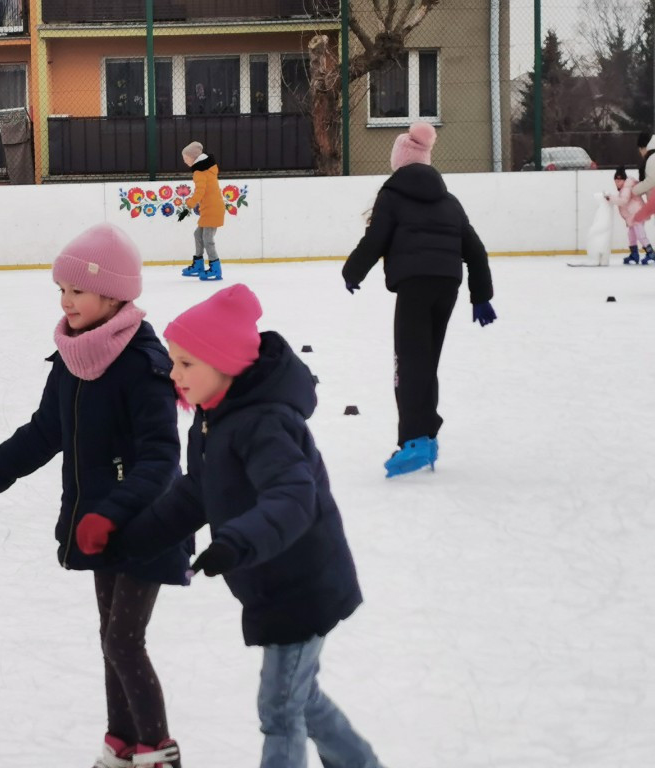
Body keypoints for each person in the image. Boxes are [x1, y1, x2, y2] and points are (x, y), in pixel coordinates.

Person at [83, 284, 385, 768]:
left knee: (281, 708)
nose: (173, 375)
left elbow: (293, 498)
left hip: (302, 584)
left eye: (186, 364)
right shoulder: (211, 421)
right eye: (173, 362)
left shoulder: (265, 423)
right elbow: (194, 494)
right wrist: (129, 541)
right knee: (301, 700)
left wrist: (236, 542)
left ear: (224, 363)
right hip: (270, 582)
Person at [0, 223, 187, 768]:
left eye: (77, 290)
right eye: (61, 289)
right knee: (112, 639)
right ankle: (122, 745)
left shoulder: (143, 364)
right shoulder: (74, 357)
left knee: (124, 640)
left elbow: (161, 460)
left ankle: (159, 752)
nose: (65, 301)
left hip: (146, 523)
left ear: (114, 294)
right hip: (100, 524)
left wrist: (112, 511)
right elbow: (45, 431)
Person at [342, 122, 495, 477]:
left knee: (409, 364)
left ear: (399, 161)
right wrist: (480, 296)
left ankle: (414, 441)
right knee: (426, 362)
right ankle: (426, 434)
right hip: (447, 286)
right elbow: (475, 249)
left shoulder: (392, 194)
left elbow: (375, 240)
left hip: (413, 285)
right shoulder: (449, 200)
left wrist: (352, 272)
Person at [178, 141, 225, 281]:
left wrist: (189, 206)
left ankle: (215, 268)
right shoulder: (205, 170)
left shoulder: (199, 172)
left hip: (213, 209)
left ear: (193, 158)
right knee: (198, 234)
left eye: (186, 158)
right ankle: (199, 264)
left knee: (207, 238)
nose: (184, 161)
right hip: (210, 208)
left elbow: (200, 192)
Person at [606, 165, 654, 265]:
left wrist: (610, 198)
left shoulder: (626, 188)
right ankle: (634, 254)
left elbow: (624, 201)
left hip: (637, 214)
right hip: (632, 216)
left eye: (620, 180)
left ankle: (651, 254)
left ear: (624, 179)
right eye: (616, 180)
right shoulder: (625, 187)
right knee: (631, 235)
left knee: (640, 234)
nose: (617, 182)